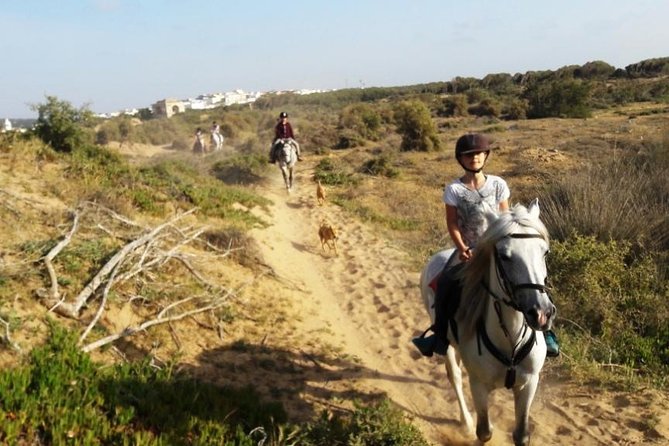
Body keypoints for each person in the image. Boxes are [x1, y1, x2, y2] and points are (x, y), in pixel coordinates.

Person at [412, 133, 560, 358]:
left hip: (498, 248)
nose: (474, 158)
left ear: (485, 156)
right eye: (468, 155)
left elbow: (505, 218)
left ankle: (547, 332)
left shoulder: (498, 184)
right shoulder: (454, 189)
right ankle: (439, 335)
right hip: (468, 250)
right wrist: (462, 248)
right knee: (445, 283)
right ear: (460, 159)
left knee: (532, 279)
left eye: (479, 154)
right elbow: (452, 222)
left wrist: (504, 245)